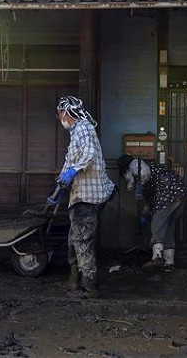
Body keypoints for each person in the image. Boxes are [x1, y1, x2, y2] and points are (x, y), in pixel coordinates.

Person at [49, 95, 115, 299]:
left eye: (60, 113)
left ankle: (89, 287)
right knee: (74, 240)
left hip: (88, 196)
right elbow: (70, 161)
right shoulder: (76, 132)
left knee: (82, 241)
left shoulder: (84, 127)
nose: (59, 117)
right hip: (80, 196)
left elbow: (89, 154)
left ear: (67, 111)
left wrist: (71, 173)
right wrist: (59, 188)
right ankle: (74, 281)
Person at [123, 156, 185, 271]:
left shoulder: (135, 165)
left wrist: (138, 187)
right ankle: (169, 262)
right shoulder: (148, 167)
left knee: (157, 226)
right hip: (179, 192)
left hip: (166, 193)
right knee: (168, 228)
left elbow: (143, 176)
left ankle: (157, 257)